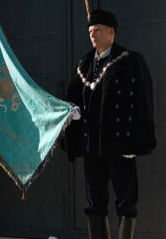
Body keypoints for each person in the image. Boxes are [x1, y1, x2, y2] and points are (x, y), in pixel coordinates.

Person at [63, 9, 156, 239]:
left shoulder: (130, 61)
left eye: (98, 30)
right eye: (90, 31)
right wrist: (73, 113)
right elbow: (75, 96)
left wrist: (135, 143)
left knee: (126, 201)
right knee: (94, 201)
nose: (92, 35)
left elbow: (143, 103)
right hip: (91, 145)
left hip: (119, 144)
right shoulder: (84, 65)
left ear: (111, 32)